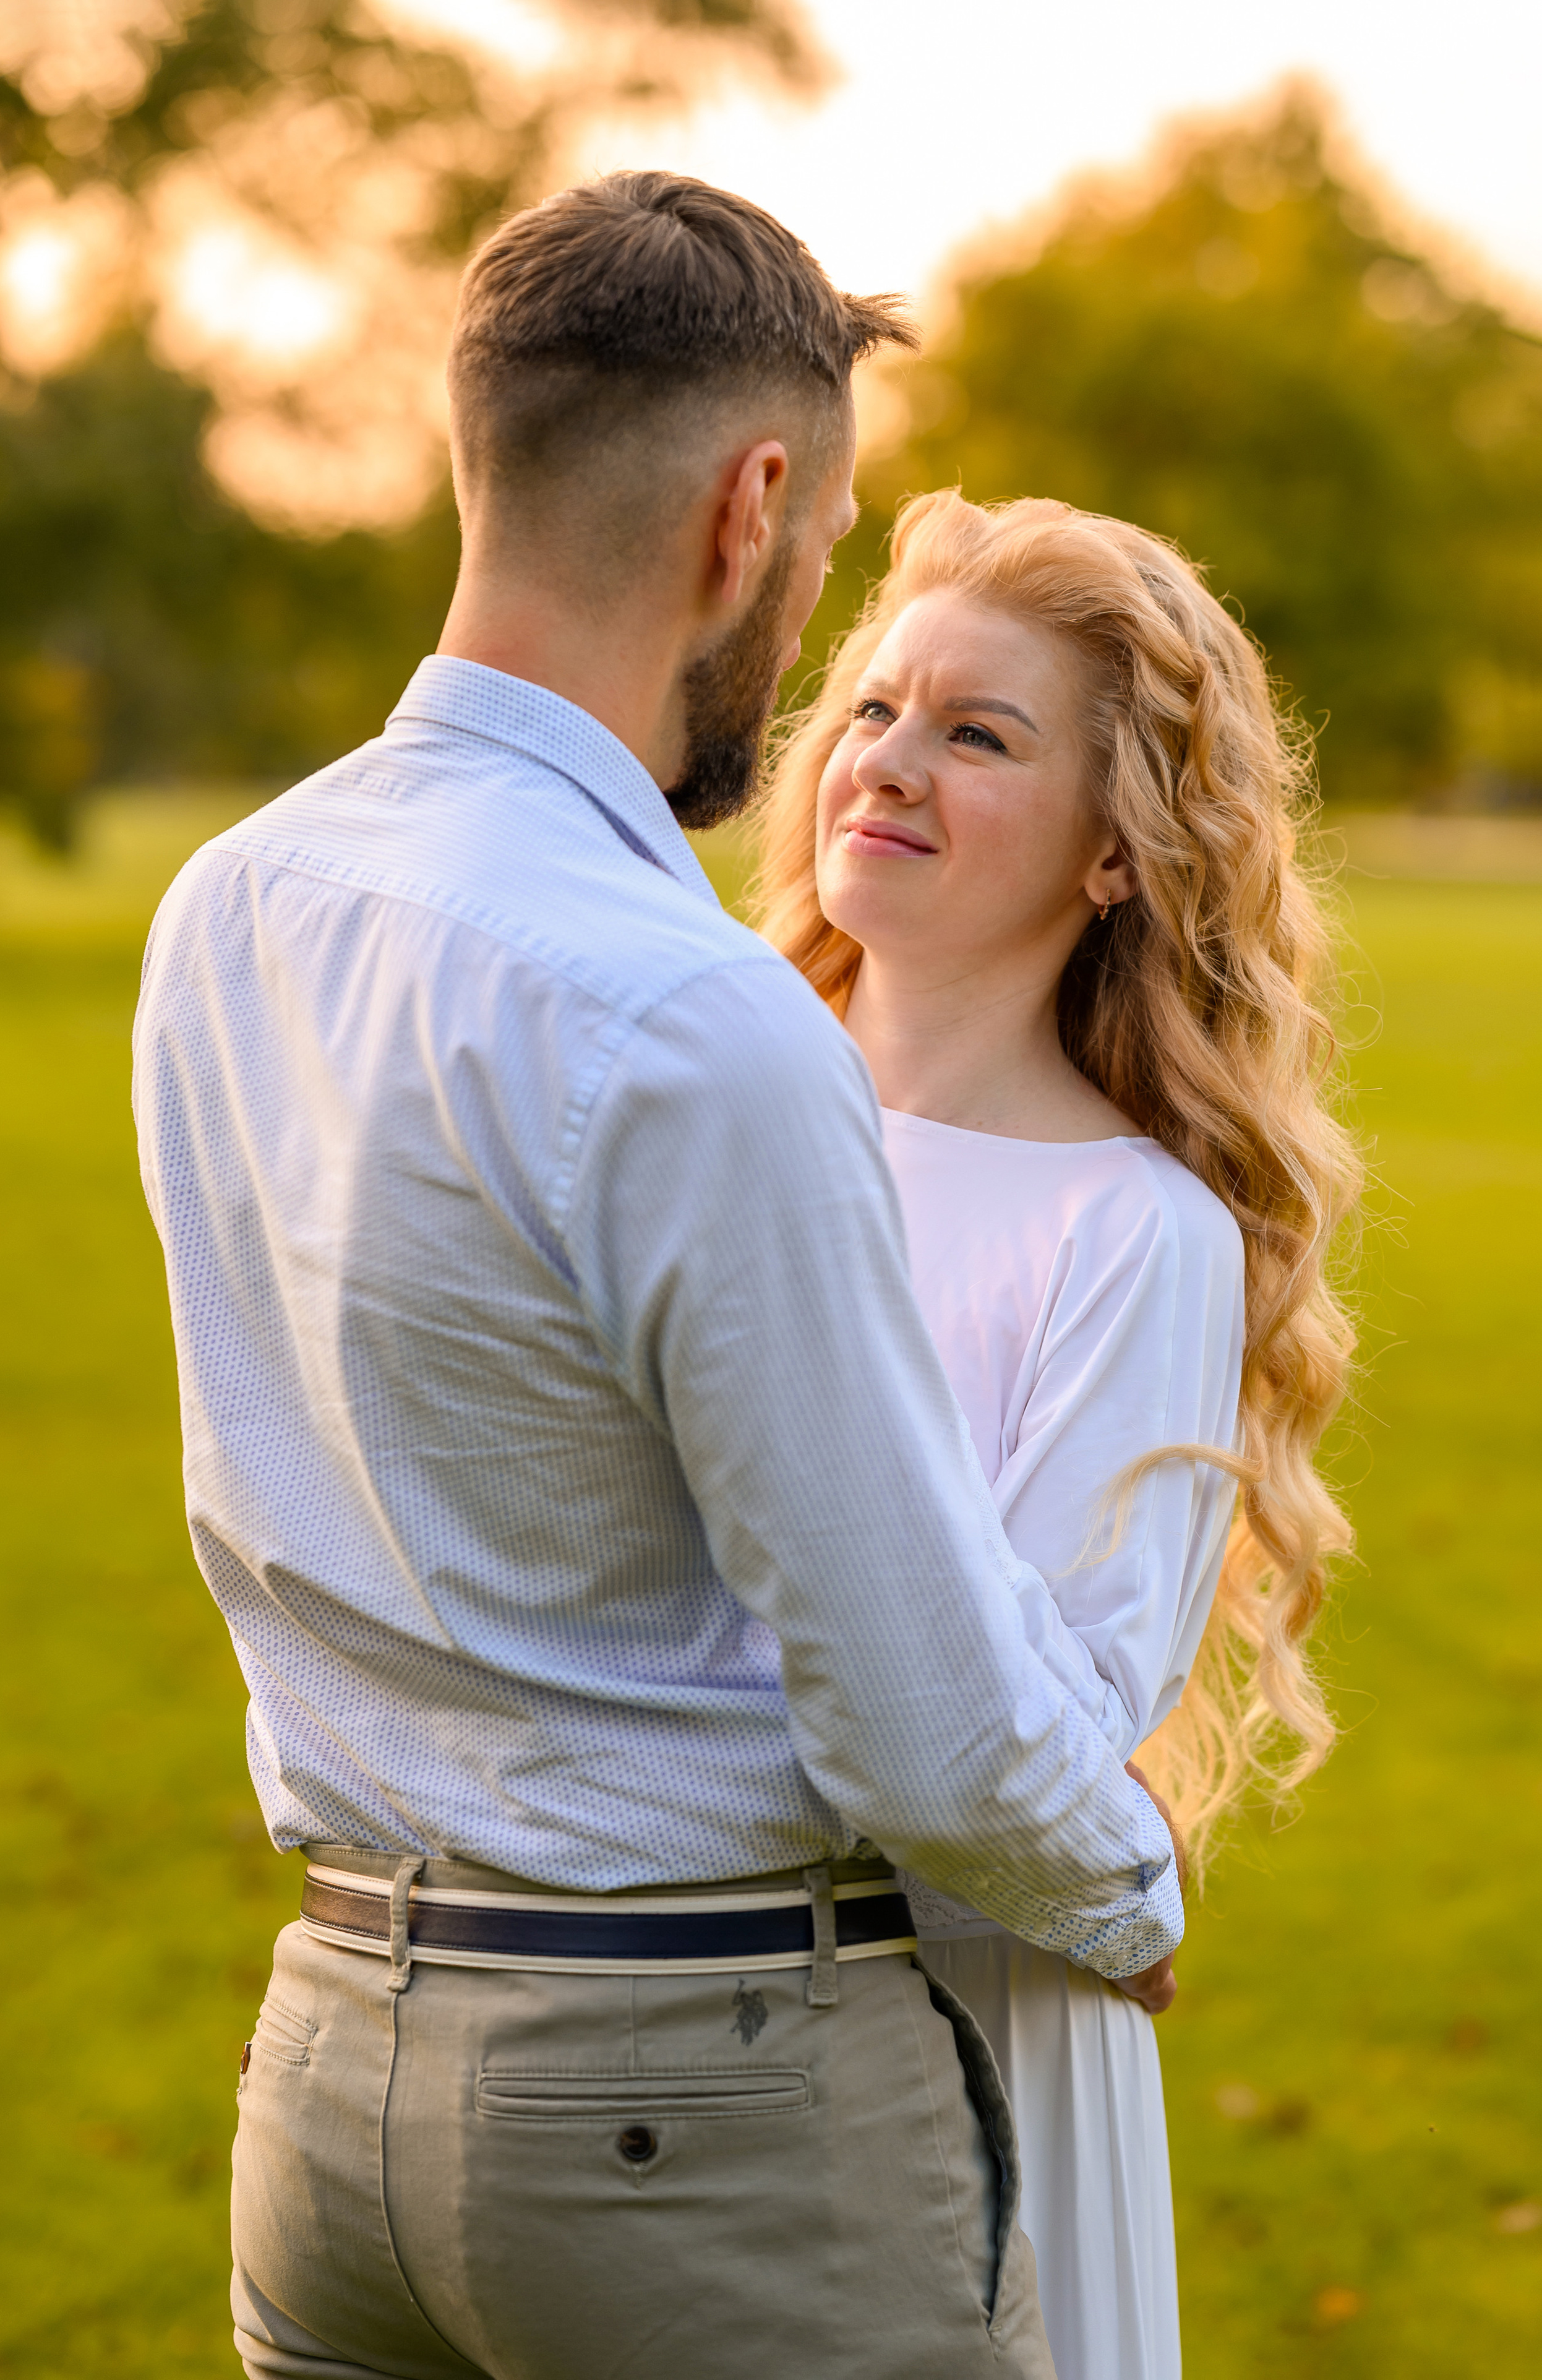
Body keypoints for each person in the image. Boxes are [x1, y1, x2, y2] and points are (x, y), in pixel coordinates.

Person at [132, 178, 1186, 2380]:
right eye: (829, 561)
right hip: (692, 2118)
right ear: (753, 509)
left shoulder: (232, 905)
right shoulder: (696, 1020)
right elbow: (919, 1701)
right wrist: (1120, 1885)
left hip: (327, 2081)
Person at [758, 489, 1363, 2379]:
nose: (891, 762)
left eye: (979, 734)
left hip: (958, 2030)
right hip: (642, 2035)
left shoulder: (1130, 1233)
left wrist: (1097, 1867)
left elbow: (1035, 1732)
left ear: (1117, 852)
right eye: (875, 708)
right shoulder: (699, 1120)